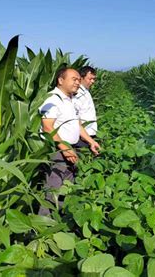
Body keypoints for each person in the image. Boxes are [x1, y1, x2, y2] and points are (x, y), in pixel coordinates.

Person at [38, 67, 100, 215]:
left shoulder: (70, 99)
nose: (78, 83)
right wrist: (65, 148)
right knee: (53, 187)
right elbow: (47, 127)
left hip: (69, 149)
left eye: (79, 80)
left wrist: (90, 141)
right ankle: (42, 226)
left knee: (67, 186)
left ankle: (60, 219)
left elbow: (77, 123)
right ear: (60, 80)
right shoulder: (53, 99)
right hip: (57, 151)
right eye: (74, 79)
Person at [74, 66, 98, 142]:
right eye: (90, 79)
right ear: (81, 78)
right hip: (83, 136)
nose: (93, 81)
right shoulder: (77, 94)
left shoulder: (85, 91)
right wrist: (84, 136)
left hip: (89, 134)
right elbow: (75, 117)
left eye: (94, 79)